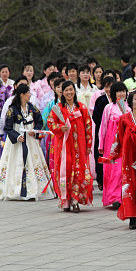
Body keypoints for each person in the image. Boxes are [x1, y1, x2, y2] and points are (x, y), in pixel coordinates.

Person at [0, 84, 55, 201]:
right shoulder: (12, 109)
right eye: (28, 93)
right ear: (22, 95)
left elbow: (40, 121)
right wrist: (16, 136)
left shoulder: (32, 108)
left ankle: (33, 189)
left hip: (30, 140)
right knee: (16, 162)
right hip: (17, 142)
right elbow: (8, 127)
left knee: (33, 162)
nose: (30, 95)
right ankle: (15, 189)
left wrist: (34, 130)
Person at [48, 81, 93, 212]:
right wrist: (60, 127)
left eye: (71, 90)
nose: (69, 92)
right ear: (62, 92)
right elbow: (50, 122)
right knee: (64, 171)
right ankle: (65, 200)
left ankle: (75, 200)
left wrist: (89, 144)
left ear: (74, 91)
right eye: (66, 90)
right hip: (63, 147)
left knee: (79, 173)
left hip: (79, 146)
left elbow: (88, 127)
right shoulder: (58, 108)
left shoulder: (82, 108)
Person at [109, 90, 136, 228]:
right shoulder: (124, 118)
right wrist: (114, 154)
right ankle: (132, 216)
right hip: (129, 156)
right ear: (130, 101)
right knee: (129, 183)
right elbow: (119, 137)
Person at [99, 82, 130, 208]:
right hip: (112, 144)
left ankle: (125, 196)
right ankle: (114, 197)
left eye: (123, 91)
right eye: (119, 91)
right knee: (113, 170)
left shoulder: (130, 107)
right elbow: (103, 127)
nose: (121, 94)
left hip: (126, 143)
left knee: (124, 169)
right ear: (114, 93)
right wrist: (101, 144)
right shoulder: (109, 108)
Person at [92, 76, 116, 192]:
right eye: (107, 86)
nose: (109, 89)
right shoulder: (100, 100)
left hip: (115, 133)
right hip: (101, 131)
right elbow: (95, 116)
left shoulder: (120, 101)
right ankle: (102, 180)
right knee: (100, 155)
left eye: (111, 86)